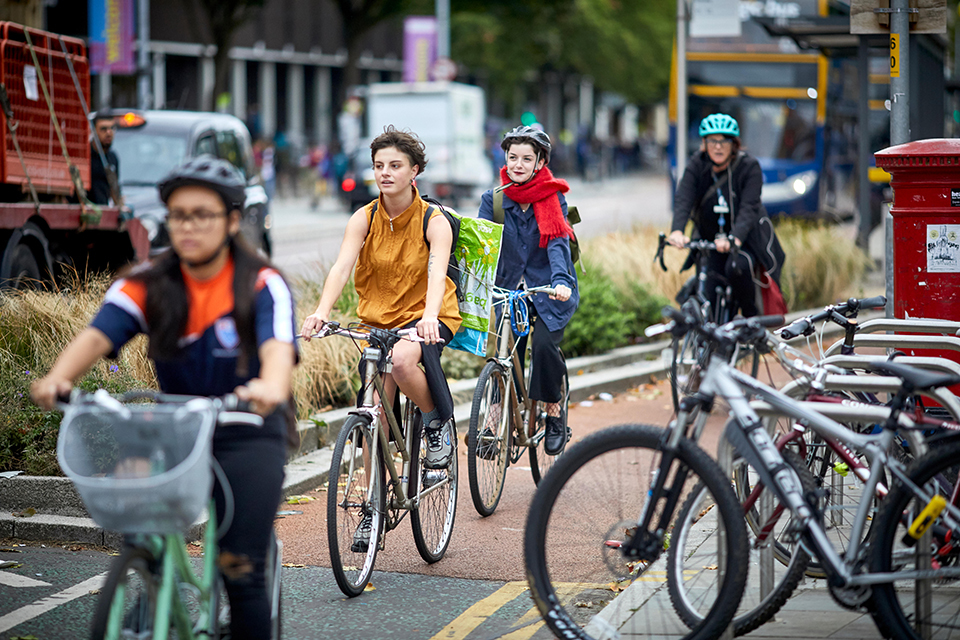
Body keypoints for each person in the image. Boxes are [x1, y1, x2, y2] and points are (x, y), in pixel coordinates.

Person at [31, 155, 297, 640]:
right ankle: (152, 584)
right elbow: (99, 334)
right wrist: (57, 378)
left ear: (232, 221)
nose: (188, 226)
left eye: (202, 215)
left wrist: (270, 387)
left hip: (247, 429)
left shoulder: (261, 282)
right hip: (175, 429)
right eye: (178, 215)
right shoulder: (148, 281)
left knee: (241, 570)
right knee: (141, 535)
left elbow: (277, 349)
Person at [299, 127, 460, 535]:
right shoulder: (364, 217)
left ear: (414, 171)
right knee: (374, 411)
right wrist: (321, 312)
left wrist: (427, 317)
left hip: (427, 316)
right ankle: (373, 505)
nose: (385, 173)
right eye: (378, 166)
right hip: (378, 320)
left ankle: (436, 424)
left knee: (403, 362)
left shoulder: (434, 220)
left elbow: (437, 272)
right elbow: (341, 267)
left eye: (395, 166)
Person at [478, 125, 578, 456]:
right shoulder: (493, 200)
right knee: (505, 353)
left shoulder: (552, 198)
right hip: (508, 289)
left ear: (540, 162)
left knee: (545, 347)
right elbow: (482, 245)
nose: (518, 164)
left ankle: (554, 413)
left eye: (526, 158)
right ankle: (493, 423)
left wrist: (561, 281)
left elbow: (558, 244)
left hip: (549, 288)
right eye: (512, 157)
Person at [668, 113, 765, 318]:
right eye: (712, 141)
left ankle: (751, 320)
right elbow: (684, 198)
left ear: (734, 144)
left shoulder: (749, 167)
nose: (718, 147)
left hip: (742, 240)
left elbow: (749, 207)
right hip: (709, 240)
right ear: (704, 143)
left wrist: (734, 238)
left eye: (724, 141)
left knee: (737, 268)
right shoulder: (697, 164)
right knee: (707, 287)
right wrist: (677, 231)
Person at [89, 110, 121, 206]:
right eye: (103, 129)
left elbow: (114, 190)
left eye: (112, 128)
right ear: (93, 131)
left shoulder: (112, 158)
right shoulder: (85, 157)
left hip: (104, 210)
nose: (108, 133)